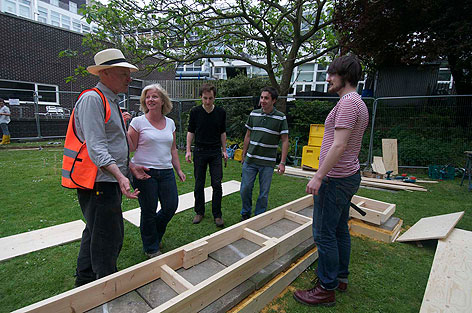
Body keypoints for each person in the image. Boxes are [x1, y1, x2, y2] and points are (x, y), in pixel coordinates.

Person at [62, 48, 148, 287]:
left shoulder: (110, 101)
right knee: (107, 238)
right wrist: (121, 176)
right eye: (123, 74)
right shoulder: (92, 99)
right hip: (98, 182)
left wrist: (129, 166)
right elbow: (97, 147)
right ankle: (105, 287)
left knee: (95, 232)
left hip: (106, 179)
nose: (129, 79)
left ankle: (85, 283)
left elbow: (114, 145)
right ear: (106, 73)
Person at [293, 54, 369, 307]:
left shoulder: (348, 103)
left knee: (324, 234)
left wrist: (318, 176)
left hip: (336, 180)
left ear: (344, 76)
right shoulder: (358, 102)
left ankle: (326, 288)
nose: (327, 78)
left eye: (332, 74)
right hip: (347, 176)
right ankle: (340, 277)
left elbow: (339, 145)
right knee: (338, 230)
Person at [128, 84, 186, 258]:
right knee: (148, 210)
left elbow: (173, 149)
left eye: (154, 96)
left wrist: (178, 169)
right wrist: (125, 130)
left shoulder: (170, 123)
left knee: (170, 206)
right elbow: (130, 148)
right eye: (147, 97)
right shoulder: (138, 122)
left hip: (166, 171)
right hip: (144, 172)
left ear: (162, 100)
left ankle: (153, 235)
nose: (150, 100)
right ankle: (151, 248)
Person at [240, 87, 289, 220]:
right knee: (245, 189)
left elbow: (285, 141)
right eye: (261, 97)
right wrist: (243, 155)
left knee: (264, 193)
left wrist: (282, 162)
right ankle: (245, 213)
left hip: (267, 163)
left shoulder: (280, 118)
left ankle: (259, 217)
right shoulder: (254, 114)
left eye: (266, 98)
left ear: (274, 100)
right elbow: (248, 135)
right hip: (250, 160)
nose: (263, 100)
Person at [186, 84, 228, 227]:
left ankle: (217, 214)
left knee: (217, 183)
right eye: (205, 98)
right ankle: (199, 211)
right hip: (199, 151)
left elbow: (223, 132)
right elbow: (190, 131)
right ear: (201, 98)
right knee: (199, 183)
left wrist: (224, 150)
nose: (208, 101)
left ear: (214, 97)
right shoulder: (195, 112)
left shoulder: (221, 112)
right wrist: (188, 150)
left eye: (210, 98)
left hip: (215, 152)